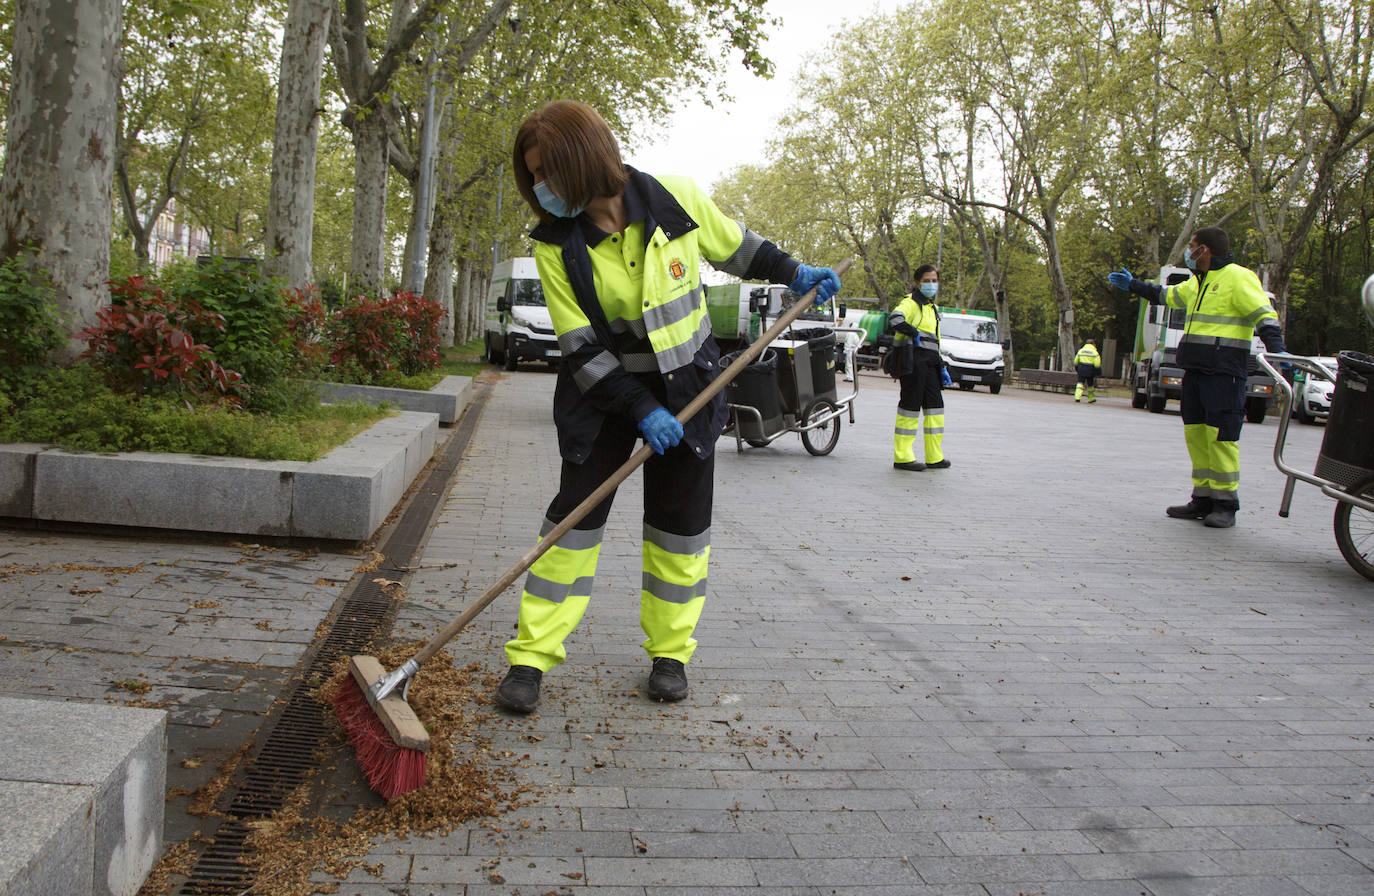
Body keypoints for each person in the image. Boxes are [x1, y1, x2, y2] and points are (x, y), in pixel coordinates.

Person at [495, 100, 841, 713]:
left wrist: (797, 271)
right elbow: (581, 350)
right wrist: (637, 409)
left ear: (584, 158)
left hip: (690, 391)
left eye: (547, 171)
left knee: (679, 529)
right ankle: (530, 660)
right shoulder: (555, 245)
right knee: (573, 523)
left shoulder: (674, 201)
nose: (541, 188)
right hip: (603, 396)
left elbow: (741, 250)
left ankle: (670, 655)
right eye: (534, 177)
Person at [1108, 226, 1285, 528]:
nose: (1189, 252)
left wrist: (1279, 355)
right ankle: (1202, 499)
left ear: (1205, 249)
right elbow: (1165, 295)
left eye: (1192, 246)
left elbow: (1265, 317)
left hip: (1224, 374)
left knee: (1221, 438)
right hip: (1196, 373)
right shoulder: (1197, 282)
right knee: (1197, 436)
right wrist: (1133, 285)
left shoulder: (1238, 277)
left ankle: (1226, 504)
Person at [887, 264, 951, 471]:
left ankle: (935, 457)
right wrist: (912, 332)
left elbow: (935, 340)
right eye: (927, 280)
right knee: (910, 408)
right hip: (913, 362)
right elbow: (895, 318)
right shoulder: (911, 303)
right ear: (917, 282)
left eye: (934, 280)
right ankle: (903, 457)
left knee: (935, 409)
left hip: (931, 363)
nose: (931, 284)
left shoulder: (933, 308)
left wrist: (941, 364)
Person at [1074, 339, 1101, 403]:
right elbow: (1097, 364)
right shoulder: (1095, 352)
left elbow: (1075, 361)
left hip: (1081, 368)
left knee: (1080, 383)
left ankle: (1077, 397)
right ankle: (1091, 398)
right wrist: (1097, 371)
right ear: (1093, 344)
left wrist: (1077, 367)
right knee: (1090, 385)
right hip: (1090, 369)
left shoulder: (1081, 351)